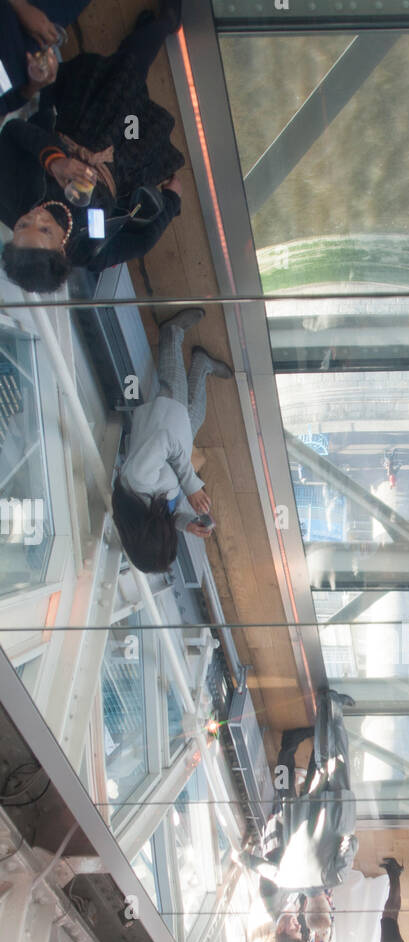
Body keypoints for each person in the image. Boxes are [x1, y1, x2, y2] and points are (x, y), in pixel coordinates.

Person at [0, 9, 185, 290]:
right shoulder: (91, 250)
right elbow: (142, 242)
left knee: (124, 79)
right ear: (61, 251)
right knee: (131, 99)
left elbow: (13, 132)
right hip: (126, 156)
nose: (35, 218)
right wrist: (172, 202)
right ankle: (160, 27)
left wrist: (55, 161)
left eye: (23, 226)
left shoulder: (9, 201)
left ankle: (153, 32)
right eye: (45, 230)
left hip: (76, 127)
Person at [111, 308, 231, 572]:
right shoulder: (140, 514)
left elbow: (163, 439)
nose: (172, 533)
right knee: (197, 411)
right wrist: (186, 523)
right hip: (179, 442)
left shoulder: (138, 480)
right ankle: (202, 364)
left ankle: (172, 333)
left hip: (165, 422)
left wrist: (192, 487)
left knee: (173, 378)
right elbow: (163, 514)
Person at [239, 688, 358, 897]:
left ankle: (293, 740)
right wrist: (243, 859)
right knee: (307, 771)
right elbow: (267, 869)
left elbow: (351, 843)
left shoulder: (329, 879)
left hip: (304, 812)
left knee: (312, 769)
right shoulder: (288, 880)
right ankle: (295, 739)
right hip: (296, 813)